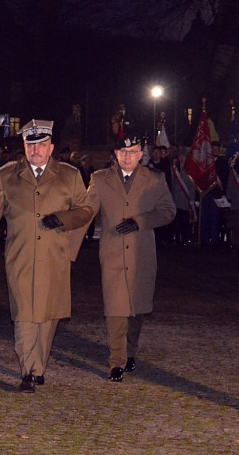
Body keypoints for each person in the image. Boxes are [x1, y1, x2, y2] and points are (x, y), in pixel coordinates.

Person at [0, 119, 93, 393]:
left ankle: (39, 365)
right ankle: (29, 372)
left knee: (47, 316)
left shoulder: (70, 175)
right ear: (24, 147)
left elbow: (85, 210)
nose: (36, 150)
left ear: (51, 148)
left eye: (41, 145)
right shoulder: (7, 174)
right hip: (20, 257)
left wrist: (62, 219)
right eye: (31, 145)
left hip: (54, 257)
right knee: (23, 314)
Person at [71, 130, 175, 382]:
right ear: (116, 154)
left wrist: (140, 221)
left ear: (141, 154)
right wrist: (68, 253)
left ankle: (130, 352)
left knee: (137, 310)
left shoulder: (154, 180)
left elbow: (168, 211)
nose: (127, 157)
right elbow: (86, 213)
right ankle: (116, 361)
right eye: (123, 152)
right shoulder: (99, 178)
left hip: (142, 254)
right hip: (113, 253)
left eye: (132, 152)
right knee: (115, 308)